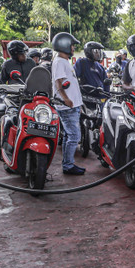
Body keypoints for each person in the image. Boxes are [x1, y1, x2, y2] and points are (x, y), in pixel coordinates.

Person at [51, 32, 85, 176]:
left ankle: (67, 163)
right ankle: (68, 165)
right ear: (64, 45)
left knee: (68, 136)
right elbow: (59, 83)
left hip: (71, 106)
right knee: (74, 136)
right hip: (67, 107)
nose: (73, 48)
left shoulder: (63, 61)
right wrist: (66, 99)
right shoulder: (59, 62)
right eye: (71, 45)